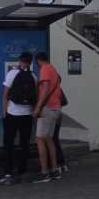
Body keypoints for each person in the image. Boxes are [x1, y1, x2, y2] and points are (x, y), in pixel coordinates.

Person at [0, 52, 36, 185]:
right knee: (24, 144)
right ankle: (22, 172)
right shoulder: (34, 77)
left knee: (8, 144)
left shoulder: (12, 74)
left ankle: (8, 173)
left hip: (12, 114)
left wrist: (4, 112)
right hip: (27, 115)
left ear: (20, 61)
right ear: (30, 62)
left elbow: (5, 95)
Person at [32, 52, 63, 183]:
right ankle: (55, 169)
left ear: (38, 61)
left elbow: (44, 90)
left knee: (39, 139)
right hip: (56, 108)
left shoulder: (44, 69)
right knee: (49, 139)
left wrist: (38, 107)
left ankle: (45, 173)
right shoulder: (53, 68)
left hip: (47, 108)